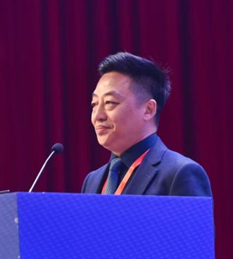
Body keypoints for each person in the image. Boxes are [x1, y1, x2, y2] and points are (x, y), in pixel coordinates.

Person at [81, 52, 212, 197]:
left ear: (148, 110)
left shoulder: (179, 173)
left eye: (109, 102)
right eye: (94, 104)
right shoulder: (92, 180)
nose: (97, 116)